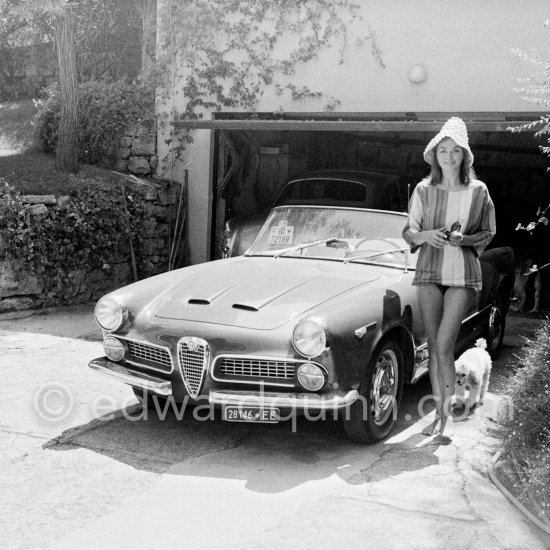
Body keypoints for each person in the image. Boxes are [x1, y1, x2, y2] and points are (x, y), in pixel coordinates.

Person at [402, 117, 496, 444]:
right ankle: (440, 416)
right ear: (435, 154)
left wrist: (465, 241)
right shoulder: (423, 191)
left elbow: (489, 231)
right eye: (444, 150)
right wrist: (426, 235)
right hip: (428, 271)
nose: (449, 156)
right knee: (433, 346)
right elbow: (409, 233)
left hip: (462, 276)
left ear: (465, 155)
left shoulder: (478, 191)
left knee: (443, 345)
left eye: (455, 150)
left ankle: (443, 418)